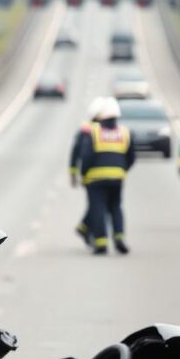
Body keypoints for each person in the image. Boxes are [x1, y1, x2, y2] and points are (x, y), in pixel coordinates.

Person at [77, 97, 135, 255]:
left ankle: (101, 243)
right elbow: (131, 157)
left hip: (95, 180)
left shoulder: (94, 132)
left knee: (98, 209)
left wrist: (83, 174)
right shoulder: (124, 132)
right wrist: (122, 170)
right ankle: (119, 238)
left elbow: (87, 156)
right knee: (116, 207)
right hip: (117, 179)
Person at [69, 106, 102, 245]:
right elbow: (78, 153)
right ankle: (91, 232)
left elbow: (75, 153)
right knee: (98, 205)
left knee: (96, 205)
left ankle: (84, 227)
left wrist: (74, 174)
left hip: (91, 174)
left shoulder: (84, 130)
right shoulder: (90, 131)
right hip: (93, 174)